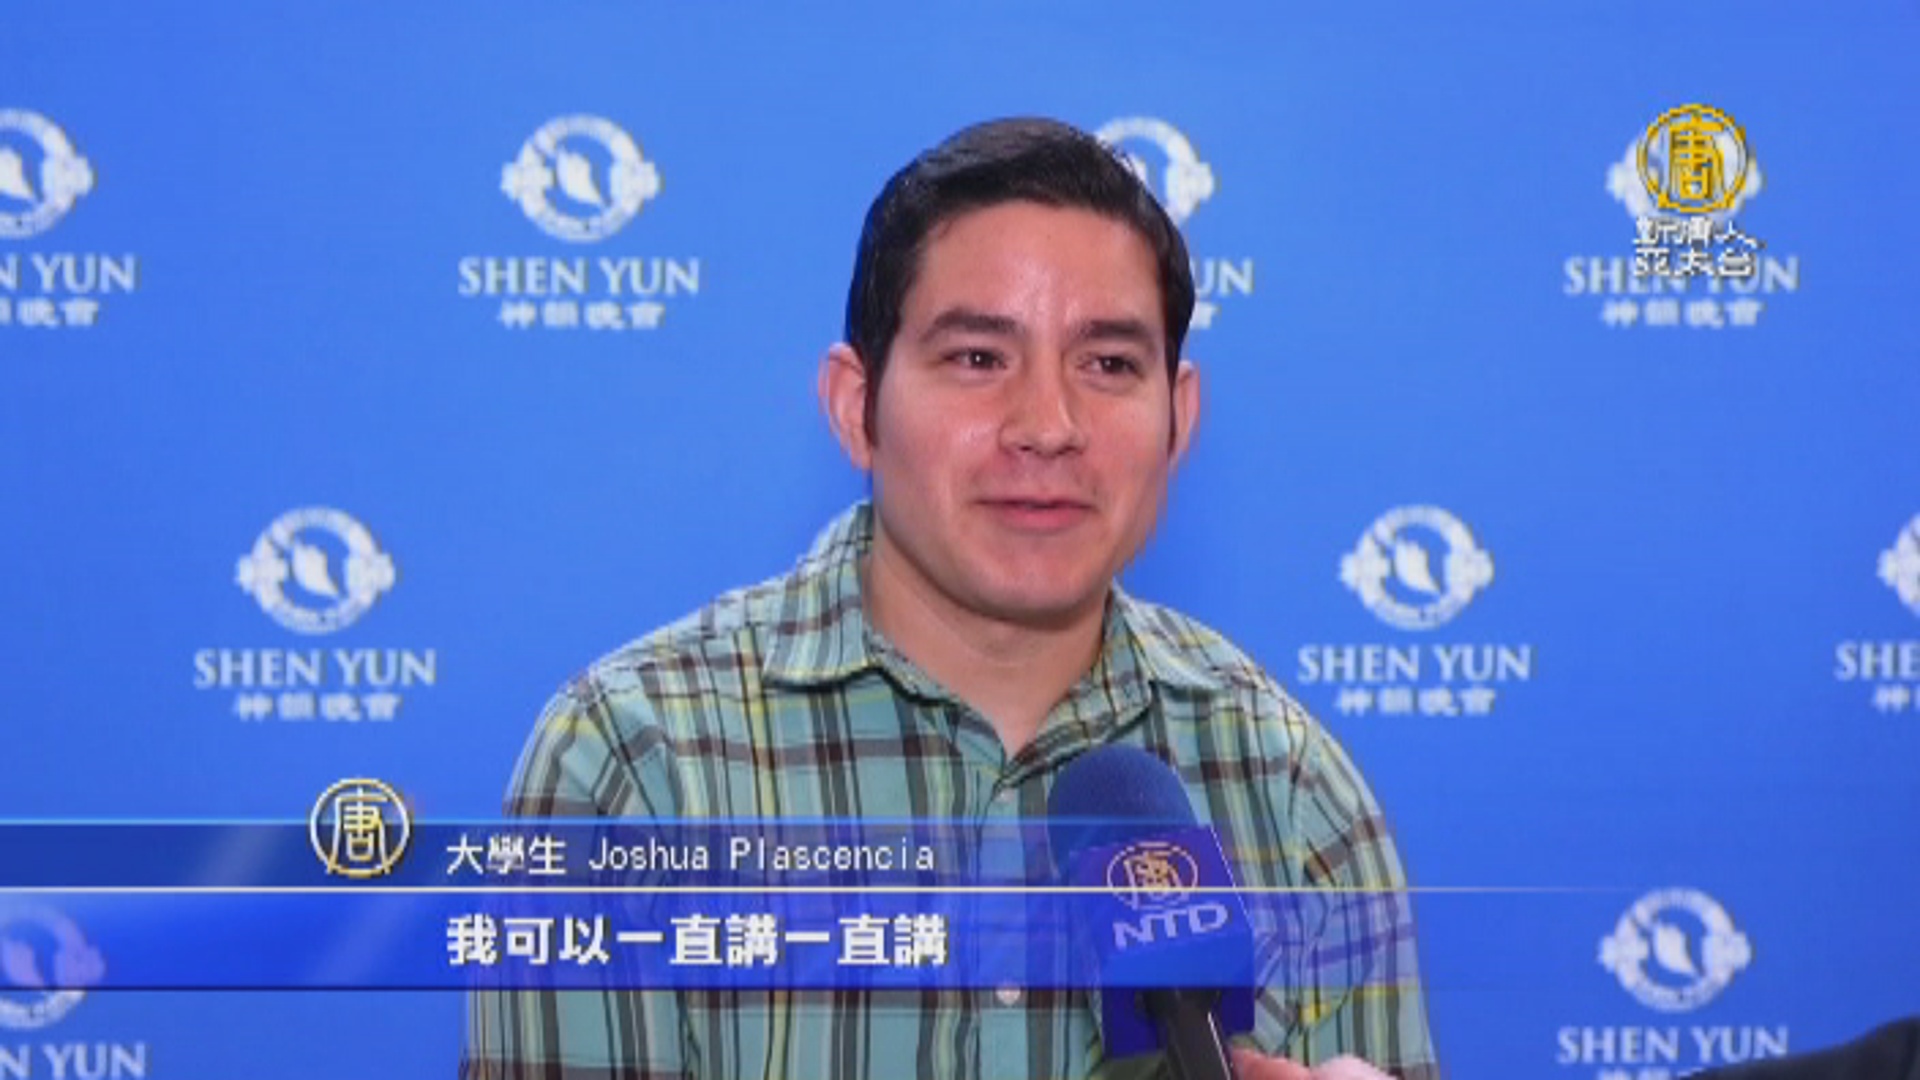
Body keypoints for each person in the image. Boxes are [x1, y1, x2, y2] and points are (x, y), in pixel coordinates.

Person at [462, 117, 1438, 1080]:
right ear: (856, 407)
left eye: (1108, 365)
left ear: (1178, 418)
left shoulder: (1294, 789)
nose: (1048, 425)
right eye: (977, 358)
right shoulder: (635, 764)